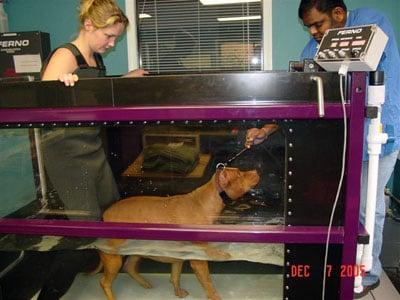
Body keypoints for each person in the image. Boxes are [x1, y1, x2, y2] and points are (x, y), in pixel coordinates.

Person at [37, 1, 147, 299]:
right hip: (68, 154)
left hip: (91, 147)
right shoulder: (65, 55)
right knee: (84, 227)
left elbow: (92, 97)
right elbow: (44, 99)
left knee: (111, 212)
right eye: (108, 37)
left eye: (115, 38)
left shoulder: (95, 59)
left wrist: (123, 83)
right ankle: (48, 294)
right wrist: (62, 83)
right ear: (88, 26)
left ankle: (96, 266)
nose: (112, 44)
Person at [298, 0, 400, 298]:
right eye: (309, 27)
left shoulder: (372, 22)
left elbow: (357, 68)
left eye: (318, 24)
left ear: (339, 13)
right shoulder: (312, 45)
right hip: (342, 137)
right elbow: (304, 83)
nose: (313, 32)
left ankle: (368, 271)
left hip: (379, 133)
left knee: (370, 207)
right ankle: (343, 263)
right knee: (343, 204)